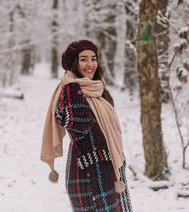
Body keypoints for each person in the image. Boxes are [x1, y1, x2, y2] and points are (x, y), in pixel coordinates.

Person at [41, 39, 133, 212]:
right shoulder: (69, 92)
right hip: (88, 175)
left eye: (93, 59)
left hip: (110, 170)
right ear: (74, 63)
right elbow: (80, 126)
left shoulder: (98, 90)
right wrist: (72, 86)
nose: (90, 64)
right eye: (83, 59)